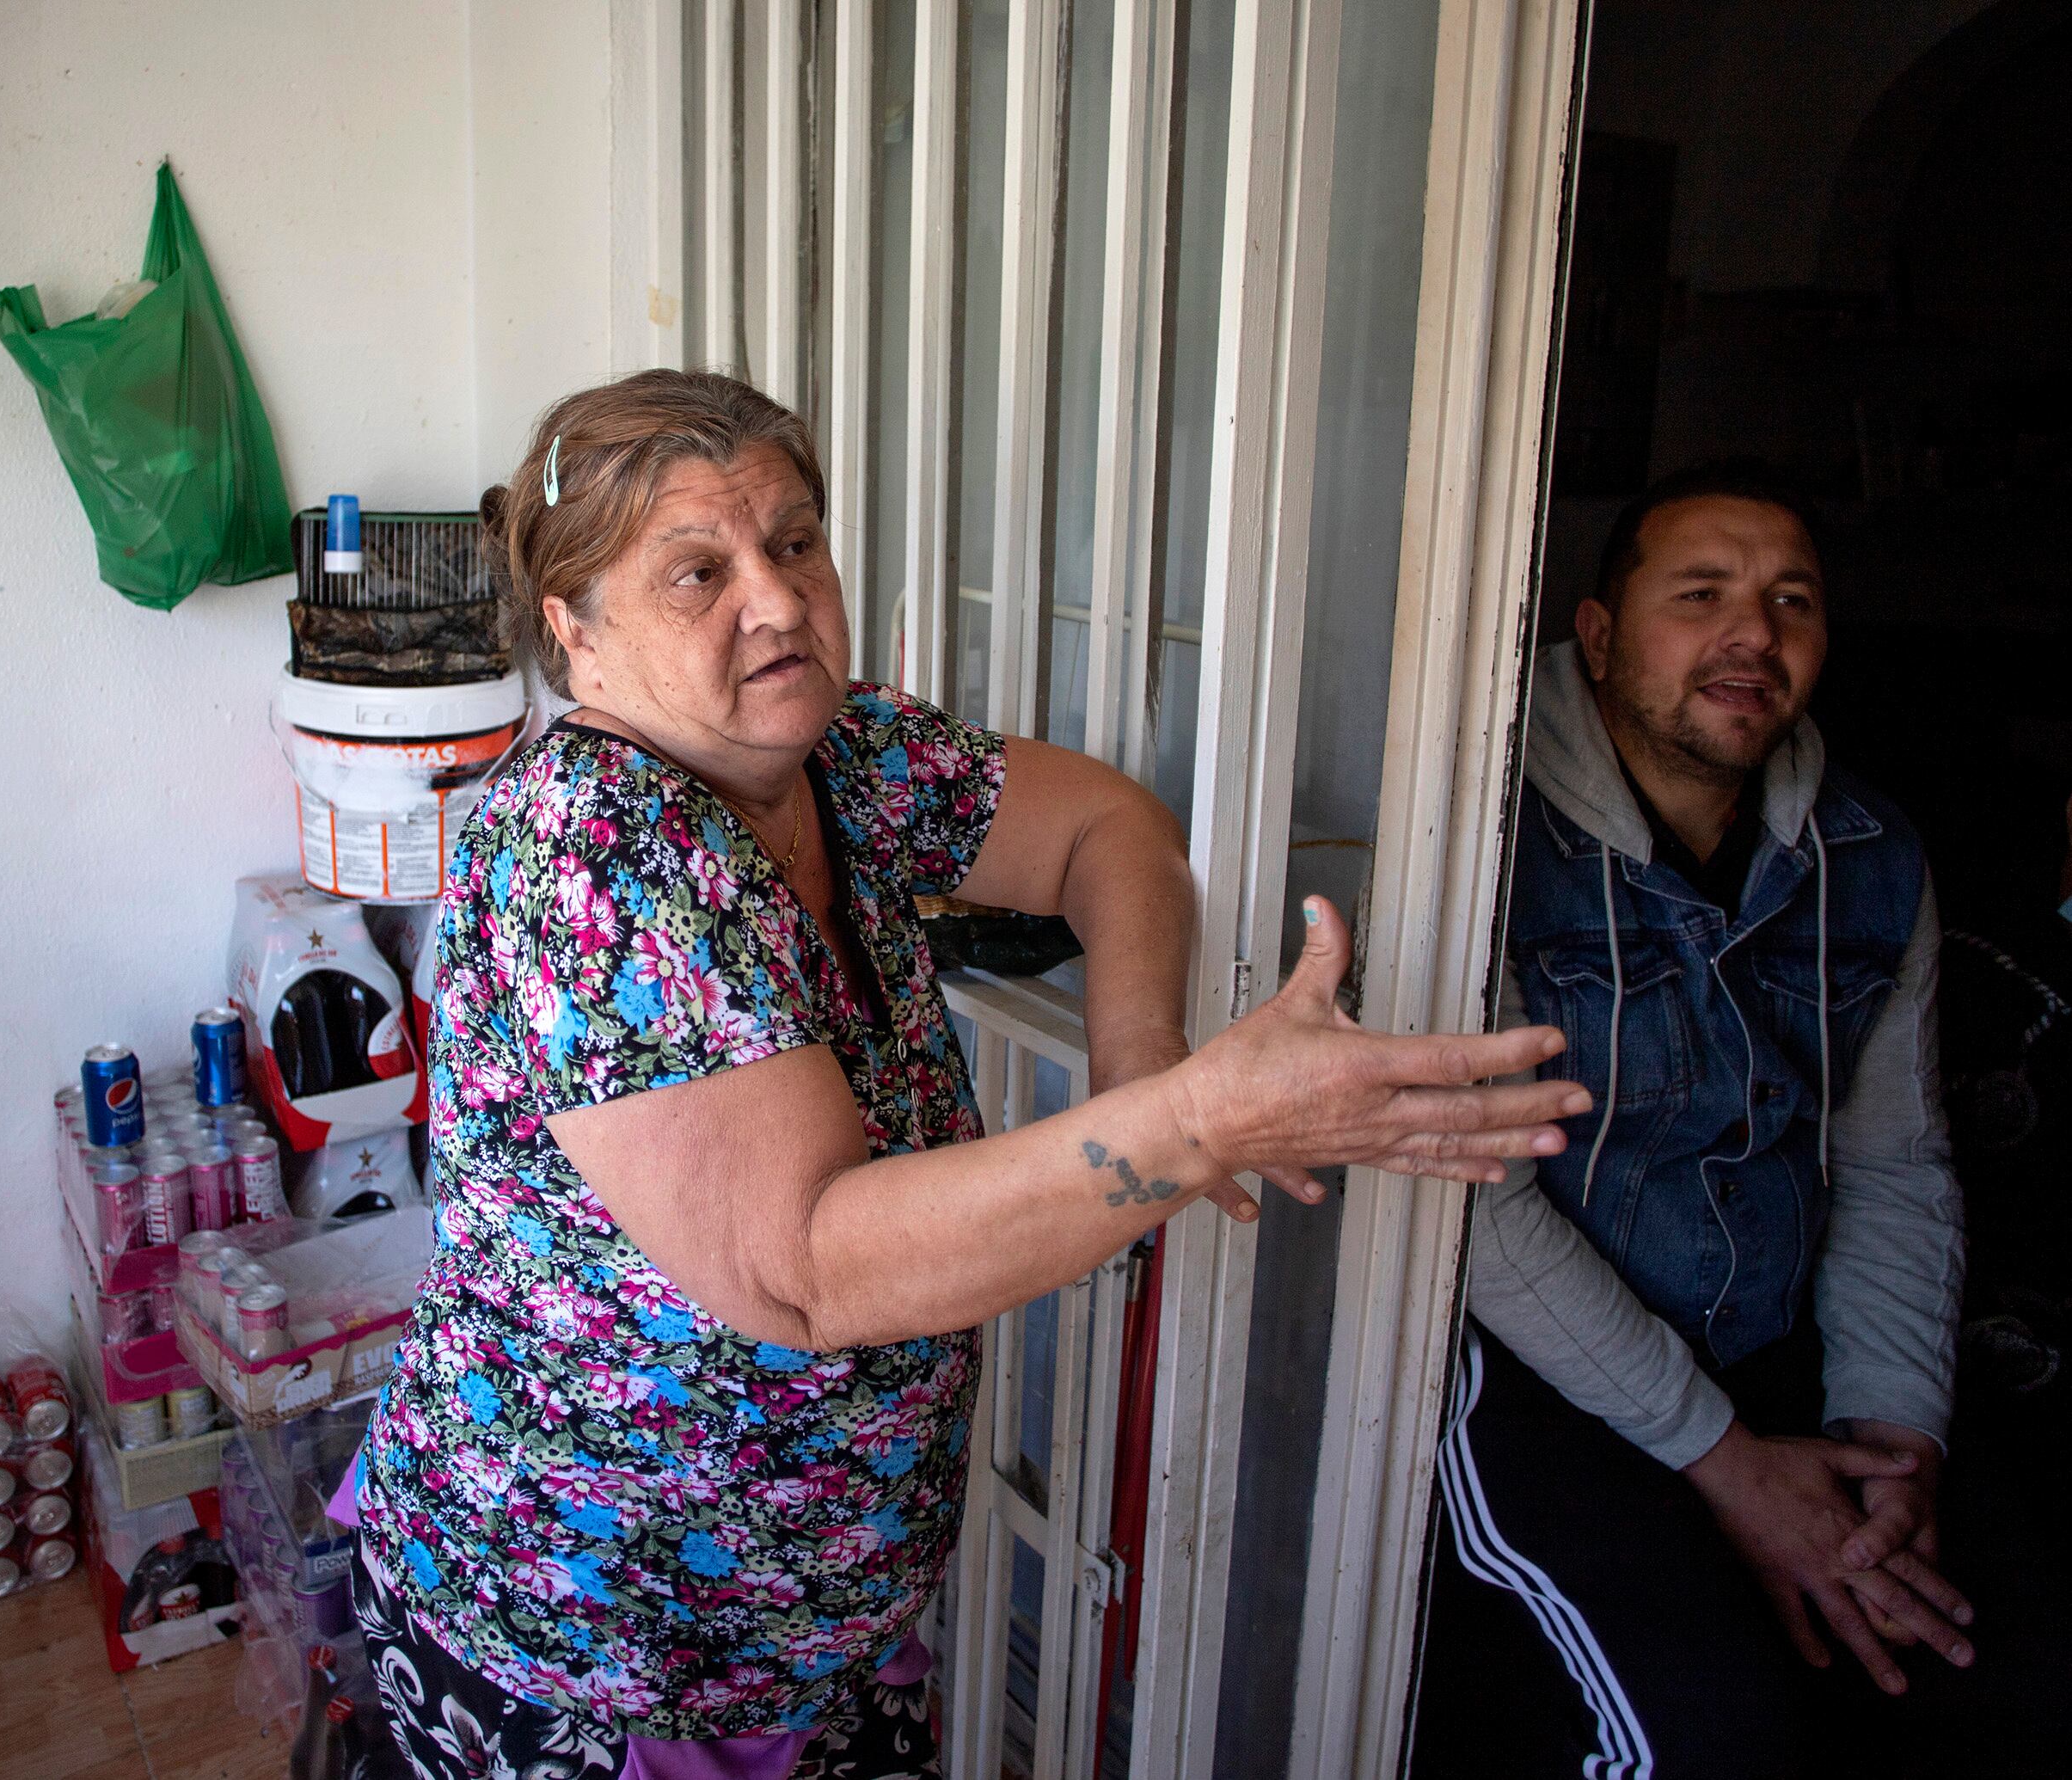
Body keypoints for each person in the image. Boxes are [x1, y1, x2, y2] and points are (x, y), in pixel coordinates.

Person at [350, 369, 1585, 1780]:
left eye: (795, 542)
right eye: (698, 570)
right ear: (576, 631)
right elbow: (804, 1266)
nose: (774, 599)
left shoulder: (837, 754)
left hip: (821, 1625)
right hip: (606, 1649)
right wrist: (1185, 1127)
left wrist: (1141, 1064)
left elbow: (1106, 830)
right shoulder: (594, 851)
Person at [1413, 463, 1970, 1778]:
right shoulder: (1475, 840)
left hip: (1769, 1347)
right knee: (1698, 1739)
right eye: (1700, 594)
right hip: (1527, 1378)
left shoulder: (1871, 855)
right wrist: (1727, 1467)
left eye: (1790, 601)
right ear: (1598, 636)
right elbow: (1473, 1209)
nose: (1753, 636)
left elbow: (1895, 1163)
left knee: (1967, 1667)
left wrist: (1890, 1441)